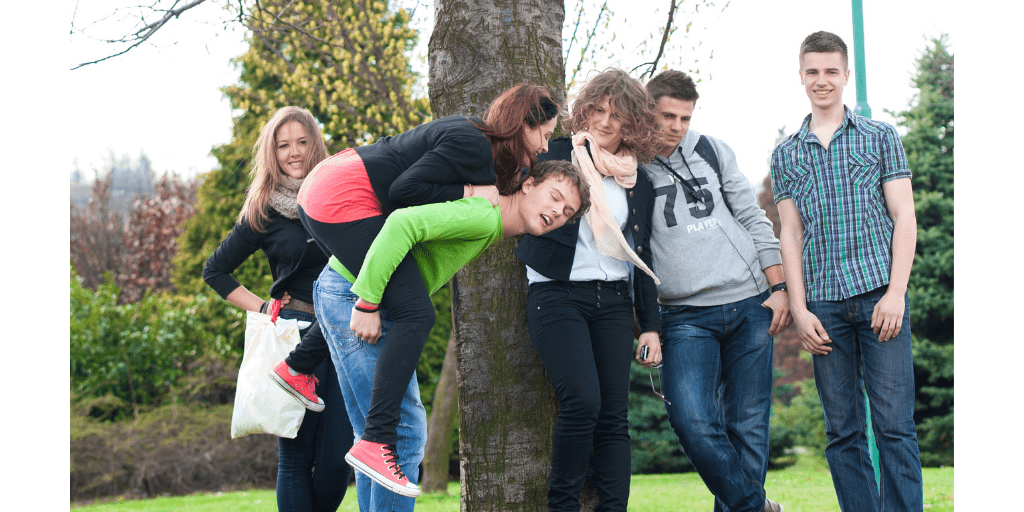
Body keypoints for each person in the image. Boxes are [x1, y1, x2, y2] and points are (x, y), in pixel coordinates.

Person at [294, 84, 562, 506]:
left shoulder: (475, 144)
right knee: (417, 317)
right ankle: (373, 437)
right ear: (522, 122)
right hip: (342, 195)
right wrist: (367, 302)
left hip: (328, 191)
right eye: (543, 134)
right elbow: (403, 197)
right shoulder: (475, 148)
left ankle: (297, 366)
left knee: (407, 300)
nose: (544, 146)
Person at [770, 31, 922, 512]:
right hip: (824, 307)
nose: (822, 80)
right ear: (801, 76)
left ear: (845, 75)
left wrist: (896, 293)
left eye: (831, 71)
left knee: (894, 426)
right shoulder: (786, 153)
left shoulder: (880, 137)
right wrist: (799, 309)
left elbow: (904, 215)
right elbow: (790, 234)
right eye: (813, 71)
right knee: (843, 432)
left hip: (880, 297)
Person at [515, 68, 662, 512]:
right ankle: (562, 507)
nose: (603, 121)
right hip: (557, 295)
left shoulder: (638, 180)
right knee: (582, 402)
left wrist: (650, 326)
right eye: (597, 110)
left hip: (614, 302)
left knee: (614, 416)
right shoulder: (558, 153)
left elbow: (642, 253)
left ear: (631, 123)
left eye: (616, 115)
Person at [642, 70, 788, 512]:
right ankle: (757, 507)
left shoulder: (711, 150)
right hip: (683, 314)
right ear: (647, 110)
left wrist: (779, 287)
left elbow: (752, 217)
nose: (677, 127)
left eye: (685, 118)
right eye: (668, 115)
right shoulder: (630, 164)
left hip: (749, 302)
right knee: (692, 421)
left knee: (748, 426)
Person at [202, 106, 353, 512]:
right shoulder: (264, 209)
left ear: (315, 144)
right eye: (284, 145)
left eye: (302, 142)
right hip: (296, 335)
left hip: (346, 331)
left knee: (339, 457)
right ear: (272, 152)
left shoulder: (338, 195)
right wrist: (262, 306)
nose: (294, 152)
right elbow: (215, 271)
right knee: (297, 457)